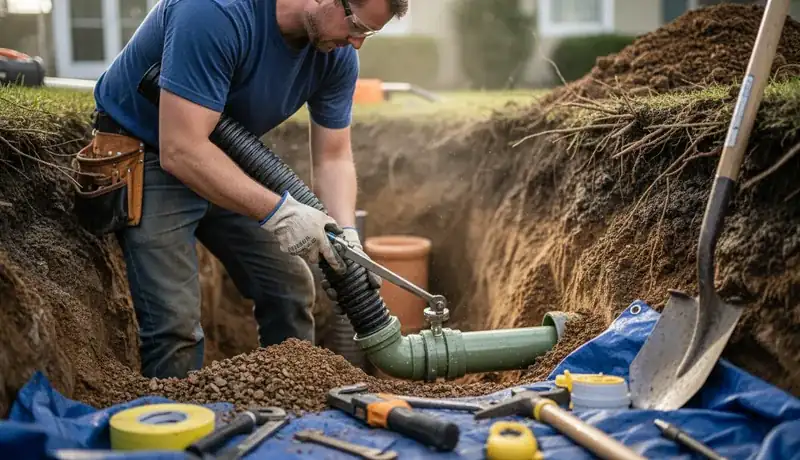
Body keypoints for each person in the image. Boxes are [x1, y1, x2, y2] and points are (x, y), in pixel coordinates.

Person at [82, 0, 406, 379]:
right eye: (358, 27)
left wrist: (347, 233)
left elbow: (333, 157)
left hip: (221, 155)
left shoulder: (335, 56)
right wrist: (282, 213)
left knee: (289, 288)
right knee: (175, 324)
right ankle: (173, 426)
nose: (357, 43)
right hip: (148, 152)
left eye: (369, 33)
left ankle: (293, 405)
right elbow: (181, 150)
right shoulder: (213, 12)